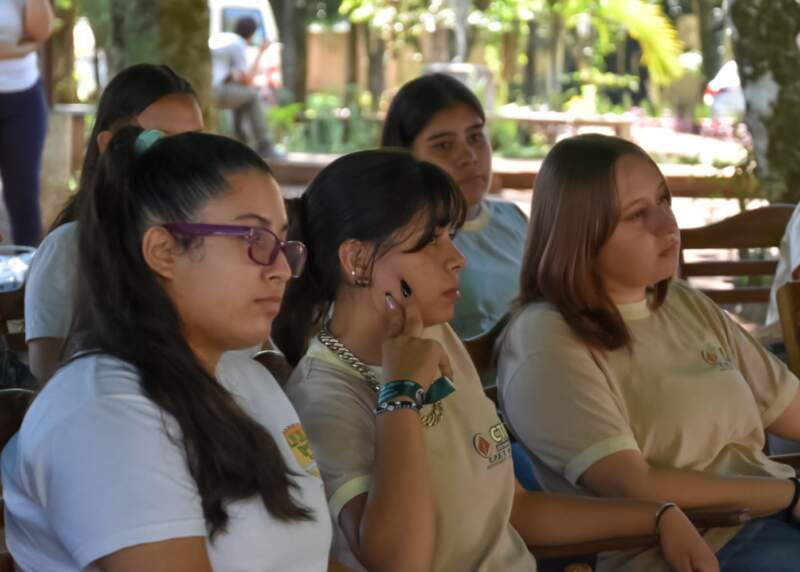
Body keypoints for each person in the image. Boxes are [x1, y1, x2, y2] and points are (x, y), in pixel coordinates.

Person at [273, 149, 719, 572]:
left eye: (452, 237)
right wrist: (400, 395)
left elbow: (517, 510)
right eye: (430, 242)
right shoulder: (323, 398)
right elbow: (400, 563)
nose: (457, 259)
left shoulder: (436, 337)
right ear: (357, 259)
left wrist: (658, 516)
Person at [1, 127, 332, 570]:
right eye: (253, 239)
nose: (282, 271)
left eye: (281, 241)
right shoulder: (104, 412)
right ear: (162, 251)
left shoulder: (246, 378)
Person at [497, 134, 800, 572]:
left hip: (769, 520)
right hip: (687, 548)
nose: (667, 225)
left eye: (663, 200)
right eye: (638, 215)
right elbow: (633, 485)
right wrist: (789, 493)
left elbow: (790, 409)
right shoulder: (545, 340)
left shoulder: (681, 302)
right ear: (581, 235)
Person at [24, 63, 204, 385]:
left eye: (195, 141)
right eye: (162, 140)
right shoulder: (70, 249)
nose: (185, 158)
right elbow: (47, 375)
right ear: (109, 144)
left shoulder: (213, 239)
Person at [381, 73, 527, 341]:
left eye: (475, 137)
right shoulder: (403, 242)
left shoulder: (514, 219)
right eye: (444, 145)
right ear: (406, 155)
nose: (468, 157)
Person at [0, 0, 54, 246]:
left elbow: (41, 32)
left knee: (23, 198)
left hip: (24, 96)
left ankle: (30, 280)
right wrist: (21, 50)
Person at [210, 16, 276, 158]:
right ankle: (264, 144)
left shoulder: (222, 38)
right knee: (252, 96)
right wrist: (260, 52)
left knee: (242, 96)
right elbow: (248, 80)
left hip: (202, 89)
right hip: (213, 92)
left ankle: (241, 144)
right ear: (251, 34)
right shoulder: (238, 44)